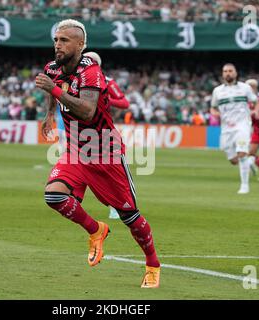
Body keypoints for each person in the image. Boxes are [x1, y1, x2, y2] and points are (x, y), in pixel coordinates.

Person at [36, 19, 160, 288]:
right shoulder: (52, 68)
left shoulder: (91, 73)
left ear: (80, 45)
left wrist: (53, 89)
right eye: (56, 39)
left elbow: (88, 111)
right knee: (54, 195)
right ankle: (96, 229)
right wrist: (49, 115)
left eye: (64, 40)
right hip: (76, 150)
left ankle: (152, 263)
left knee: (130, 216)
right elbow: (52, 88)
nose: (58, 44)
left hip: (105, 152)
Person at [83, 51, 130, 220]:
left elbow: (124, 103)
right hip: (80, 131)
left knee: (110, 170)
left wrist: (106, 100)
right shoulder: (76, 80)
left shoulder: (108, 82)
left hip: (102, 131)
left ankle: (117, 205)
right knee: (83, 167)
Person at [210, 63, 259, 194]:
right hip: (226, 128)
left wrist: (256, 111)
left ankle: (245, 186)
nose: (228, 73)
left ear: (235, 73)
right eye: (225, 71)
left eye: (230, 71)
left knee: (241, 153)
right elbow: (213, 108)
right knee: (233, 160)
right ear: (222, 74)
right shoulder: (217, 91)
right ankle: (249, 163)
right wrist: (216, 114)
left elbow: (256, 102)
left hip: (242, 125)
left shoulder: (245, 88)